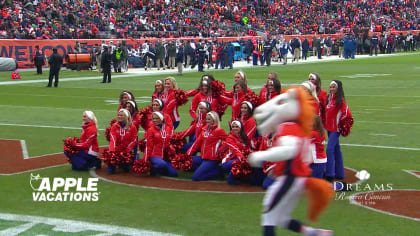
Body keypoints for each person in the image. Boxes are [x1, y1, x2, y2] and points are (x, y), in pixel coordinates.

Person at [248, 87, 334, 236]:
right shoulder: (300, 128)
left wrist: (261, 156)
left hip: (290, 178)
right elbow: (305, 157)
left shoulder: (289, 127)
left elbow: (289, 150)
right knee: (280, 218)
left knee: (268, 215)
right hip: (295, 178)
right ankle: (314, 233)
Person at [187, 111, 228, 181]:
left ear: (214, 120)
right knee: (187, 162)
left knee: (195, 177)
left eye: (209, 119)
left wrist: (221, 149)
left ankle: (217, 172)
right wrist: (187, 155)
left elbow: (229, 141)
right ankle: (207, 168)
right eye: (206, 119)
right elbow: (196, 144)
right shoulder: (204, 130)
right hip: (203, 157)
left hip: (212, 160)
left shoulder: (219, 131)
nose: (207, 121)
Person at [325, 80, 351, 182]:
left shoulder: (341, 101)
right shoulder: (329, 99)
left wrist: (342, 125)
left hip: (336, 129)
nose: (331, 89)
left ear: (338, 88)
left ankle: (330, 174)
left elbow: (346, 113)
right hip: (329, 128)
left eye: (334, 87)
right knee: (336, 149)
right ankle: (340, 173)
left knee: (329, 149)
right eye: (330, 87)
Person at [144, 111, 178, 177]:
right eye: (153, 119)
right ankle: (152, 168)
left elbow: (169, 142)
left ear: (162, 119)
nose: (154, 120)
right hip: (153, 155)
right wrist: (145, 160)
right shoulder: (151, 130)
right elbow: (148, 146)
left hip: (164, 156)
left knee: (174, 173)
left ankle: (159, 170)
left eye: (157, 118)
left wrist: (172, 151)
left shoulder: (167, 129)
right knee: (162, 164)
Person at [107, 109, 138, 174]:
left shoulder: (132, 127)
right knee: (110, 169)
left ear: (126, 117)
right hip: (117, 149)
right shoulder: (114, 126)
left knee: (126, 168)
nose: (119, 117)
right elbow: (113, 139)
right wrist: (112, 151)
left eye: (121, 115)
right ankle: (112, 166)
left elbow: (134, 140)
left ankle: (134, 158)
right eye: (118, 115)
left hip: (127, 150)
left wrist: (127, 150)